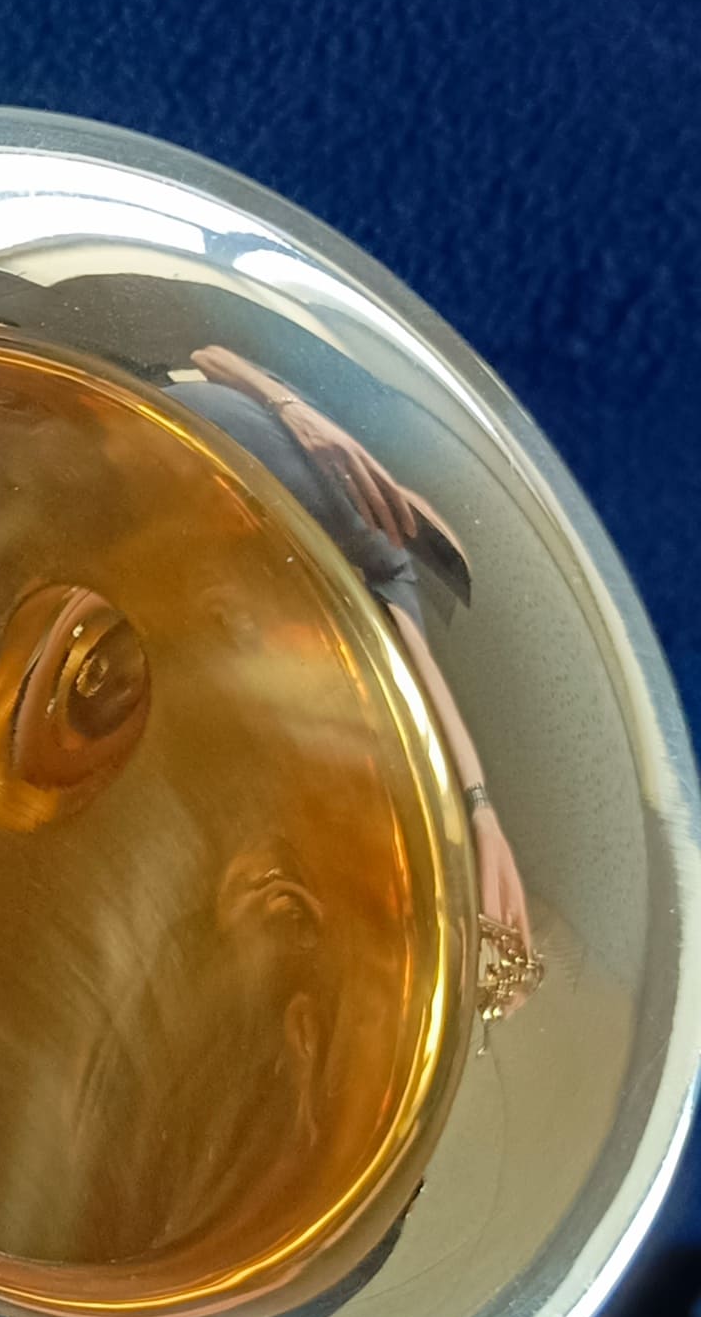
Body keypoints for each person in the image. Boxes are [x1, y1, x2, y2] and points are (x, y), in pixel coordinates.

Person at [175, 344, 539, 1018]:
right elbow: (209, 354)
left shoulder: (391, 573)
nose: (413, 522)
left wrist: (481, 812)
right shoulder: (339, 458)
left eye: (431, 543)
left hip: (187, 487)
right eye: (419, 517)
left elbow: (429, 691)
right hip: (184, 421)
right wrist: (299, 414)